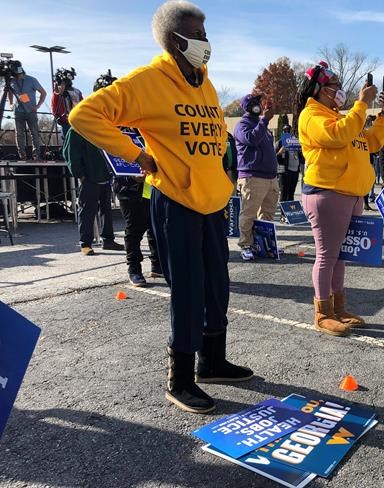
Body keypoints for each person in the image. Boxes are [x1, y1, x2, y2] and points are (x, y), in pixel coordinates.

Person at [69, 0, 252, 414]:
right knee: (186, 292)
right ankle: (180, 379)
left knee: (216, 288)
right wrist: (136, 155)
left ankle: (212, 361)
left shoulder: (203, 82)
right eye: (198, 34)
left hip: (211, 203)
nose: (206, 43)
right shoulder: (147, 81)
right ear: (175, 39)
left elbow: (211, 139)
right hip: (175, 201)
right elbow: (85, 115)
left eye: (206, 34)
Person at [295, 61, 384, 335]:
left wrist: (383, 113)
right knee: (327, 255)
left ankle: (338, 308)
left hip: (350, 194)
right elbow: (337, 137)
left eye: (339, 86)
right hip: (328, 193)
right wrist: (361, 104)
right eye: (334, 86)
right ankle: (322, 312)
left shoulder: (342, 116)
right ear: (319, 89)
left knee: (340, 256)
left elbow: (371, 142)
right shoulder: (312, 115)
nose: (339, 90)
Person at [63, 128, 125, 255]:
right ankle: (85, 243)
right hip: (89, 177)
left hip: (105, 175)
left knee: (106, 210)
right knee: (87, 210)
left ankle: (108, 240)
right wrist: (80, 174)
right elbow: (70, 153)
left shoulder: (102, 127)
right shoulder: (76, 129)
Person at [235, 93, 279, 261]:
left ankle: (264, 244)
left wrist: (263, 122)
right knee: (249, 213)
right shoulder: (242, 125)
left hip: (270, 177)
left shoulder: (262, 125)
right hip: (253, 176)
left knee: (267, 213)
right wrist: (265, 120)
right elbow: (251, 139)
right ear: (252, 106)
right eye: (259, 103)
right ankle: (246, 245)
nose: (262, 105)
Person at [6, 62, 46, 160]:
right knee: (19, 133)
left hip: (31, 111)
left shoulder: (31, 80)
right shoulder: (12, 81)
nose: (18, 76)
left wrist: (38, 106)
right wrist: (10, 104)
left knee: (34, 133)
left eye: (19, 75)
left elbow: (43, 93)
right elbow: (9, 92)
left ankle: (37, 154)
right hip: (18, 111)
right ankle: (22, 155)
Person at [51, 68, 82, 140]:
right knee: (67, 140)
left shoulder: (77, 91)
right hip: (65, 121)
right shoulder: (58, 93)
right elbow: (54, 105)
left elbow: (82, 104)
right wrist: (57, 116)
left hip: (77, 120)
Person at [276, 124, 303, 202]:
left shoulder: (295, 142)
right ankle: (283, 213)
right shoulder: (280, 143)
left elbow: (300, 157)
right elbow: (275, 158)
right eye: (285, 130)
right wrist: (280, 153)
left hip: (295, 171)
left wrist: (301, 152)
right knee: (284, 193)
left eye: (288, 130)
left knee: (291, 193)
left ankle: (290, 212)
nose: (287, 132)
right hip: (285, 171)